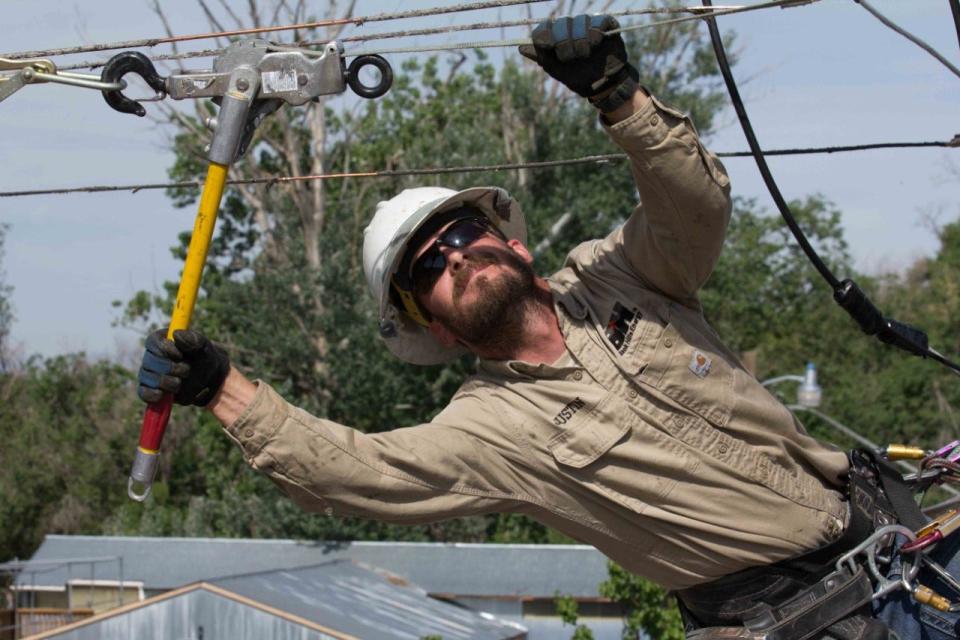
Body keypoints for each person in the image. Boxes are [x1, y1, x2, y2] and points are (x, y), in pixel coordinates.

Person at [136, 15, 959, 639]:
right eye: (427, 270)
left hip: (898, 548)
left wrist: (618, 96)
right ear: (436, 328)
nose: (453, 259)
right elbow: (358, 472)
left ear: (513, 242)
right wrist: (222, 390)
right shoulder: (490, 430)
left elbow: (693, 208)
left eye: (461, 235)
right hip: (798, 621)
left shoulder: (621, 275)